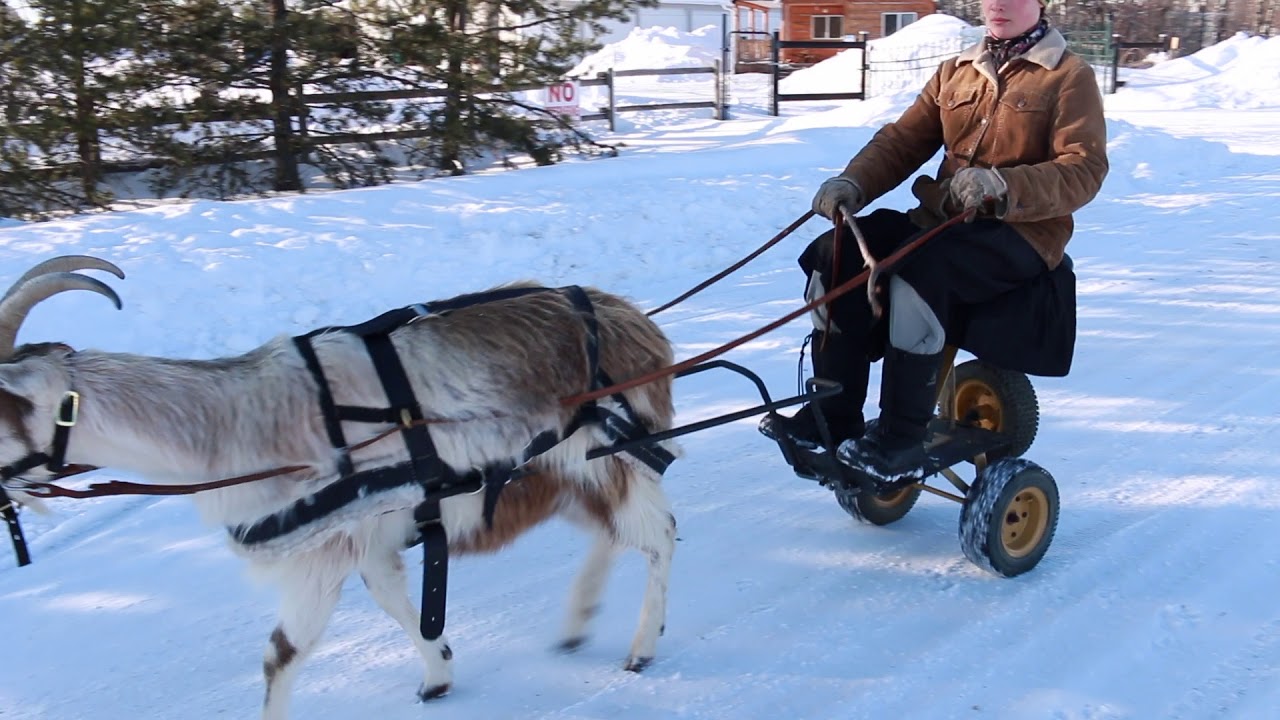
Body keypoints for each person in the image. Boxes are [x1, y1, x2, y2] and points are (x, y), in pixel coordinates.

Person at [759, 0, 1108, 481]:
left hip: (1020, 231)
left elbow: (1084, 169)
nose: (1000, 5)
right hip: (940, 221)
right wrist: (853, 183)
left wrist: (1005, 186)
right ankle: (832, 418)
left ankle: (900, 436)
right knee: (833, 253)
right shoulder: (956, 71)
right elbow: (904, 140)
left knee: (922, 274)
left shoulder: (1068, 76)